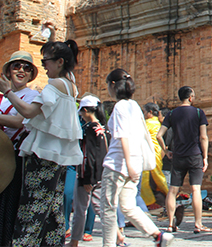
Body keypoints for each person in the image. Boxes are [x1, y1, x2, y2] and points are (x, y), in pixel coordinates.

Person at [0, 36, 83, 247]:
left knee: (31, 211)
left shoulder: (54, 86)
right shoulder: (71, 85)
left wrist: (6, 90)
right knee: (52, 212)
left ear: (59, 62)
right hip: (59, 157)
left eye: (46, 62)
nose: (44, 68)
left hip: (41, 157)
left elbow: (28, 112)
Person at [100, 69, 172, 247]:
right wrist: (134, 166)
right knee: (128, 206)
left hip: (118, 164)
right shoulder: (135, 106)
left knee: (108, 209)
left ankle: (108, 245)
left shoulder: (120, 106)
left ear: (113, 85)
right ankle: (157, 235)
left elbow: (123, 136)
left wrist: (129, 164)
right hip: (134, 164)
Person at [0, 51, 40, 246]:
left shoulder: (33, 96)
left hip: (13, 157)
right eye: (16, 66)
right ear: (8, 70)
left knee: (4, 209)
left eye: (26, 68)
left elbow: (21, 121)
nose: (21, 70)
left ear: (31, 74)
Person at [157, 86, 211, 233]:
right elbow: (204, 137)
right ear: (191, 97)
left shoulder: (172, 113)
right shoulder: (199, 113)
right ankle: (198, 224)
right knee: (196, 189)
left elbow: (159, 135)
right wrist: (205, 157)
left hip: (178, 156)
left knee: (173, 190)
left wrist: (166, 150)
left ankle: (169, 224)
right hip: (194, 155)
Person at [70, 95, 110, 247]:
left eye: (81, 112)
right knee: (102, 209)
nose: (81, 115)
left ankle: (74, 241)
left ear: (86, 111)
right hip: (102, 174)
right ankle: (118, 236)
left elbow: (88, 155)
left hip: (88, 175)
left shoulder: (88, 129)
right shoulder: (104, 129)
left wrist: (87, 178)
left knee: (80, 209)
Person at [141, 102, 168, 210]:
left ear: (150, 112)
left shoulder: (148, 123)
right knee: (157, 178)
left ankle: (150, 201)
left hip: (149, 155)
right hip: (156, 154)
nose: (143, 114)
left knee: (146, 179)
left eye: (144, 112)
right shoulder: (157, 123)